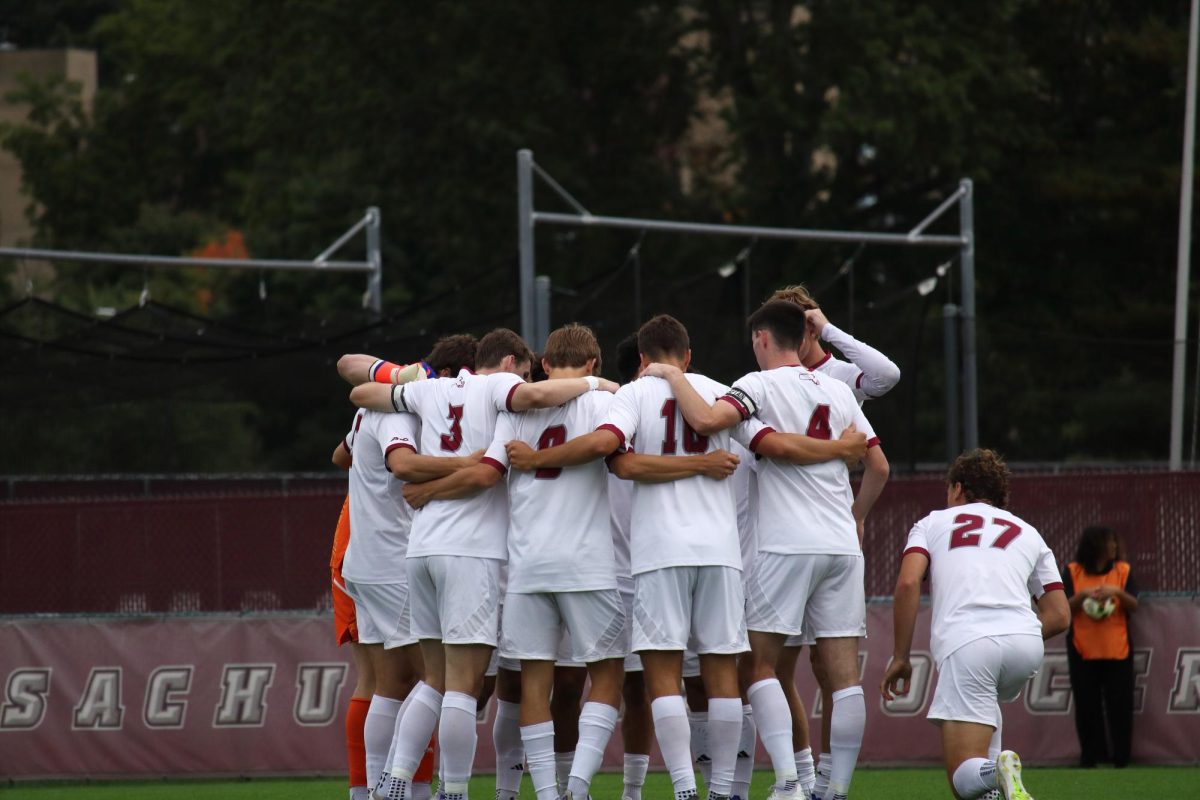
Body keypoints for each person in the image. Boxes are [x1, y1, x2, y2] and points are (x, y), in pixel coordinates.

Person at [507, 314, 862, 800]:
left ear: (644, 359)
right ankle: (726, 790)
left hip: (657, 553)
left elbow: (620, 459)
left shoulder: (632, 394)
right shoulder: (721, 392)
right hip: (721, 554)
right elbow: (769, 444)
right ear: (688, 355)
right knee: (721, 676)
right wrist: (836, 449)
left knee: (661, 678)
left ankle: (683, 790)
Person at [350, 328, 617, 800]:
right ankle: (454, 790)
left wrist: (408, 378)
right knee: (462, 686)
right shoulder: (498, 393)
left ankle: (390, 781)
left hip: (422, 548)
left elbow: (361, 392)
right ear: (513, 364)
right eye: (525, 373)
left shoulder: (430, 388)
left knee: (433, 681)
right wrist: (596, 384)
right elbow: (494, 460)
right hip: (470, 551)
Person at [643, 300, 886, 800]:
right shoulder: (840, 391)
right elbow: (878, 466)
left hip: (786, 544)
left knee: (760, 667)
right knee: (843, 676)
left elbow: (709, 421)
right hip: (841, 545)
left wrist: (671, 374)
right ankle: (835, 789)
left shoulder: (756, 386)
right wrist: (855, 513)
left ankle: (789, 783)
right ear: (802, 337)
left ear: (761, 338)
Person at [769, 284, 901, 799]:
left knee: (823, 666)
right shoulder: (775, 376)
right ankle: (804, 776)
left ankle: (821, 780)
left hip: (814, 531)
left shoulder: (840, 378)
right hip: (799, 532)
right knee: (782, 666)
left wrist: (827, 328)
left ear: (808, 325)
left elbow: (887, 375)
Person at [881, 449, 1070, 800]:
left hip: (969, 643)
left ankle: (996, 768)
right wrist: (1019, 630)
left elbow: (908, 584)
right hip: (1026, 644)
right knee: (985, 707)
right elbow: (1059, 614)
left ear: (956, 488)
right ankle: (997, 776)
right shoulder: (1029, 532)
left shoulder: (933, 522)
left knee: (962, 776)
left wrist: (901, 655)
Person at [1063, 525, 1139, 768]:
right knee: (1086, 707)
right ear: (1096, 545)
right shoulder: (1073, 572)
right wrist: (1084, 596)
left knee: (1120, 706)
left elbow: (1134, 605)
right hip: (1082, 649)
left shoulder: (1123, 571)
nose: (1115, 547)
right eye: (1110, 542)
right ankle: (1091, 757)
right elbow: (1063, 607)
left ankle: (1121, 759)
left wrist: (1116, 592)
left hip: (1117, 649)